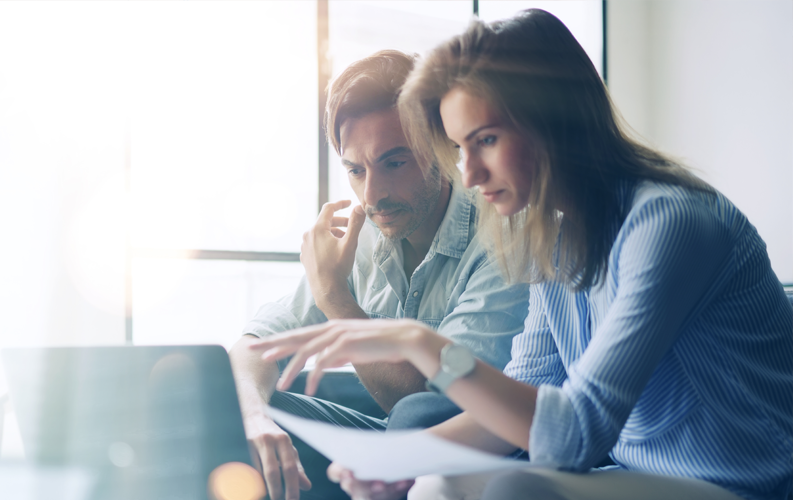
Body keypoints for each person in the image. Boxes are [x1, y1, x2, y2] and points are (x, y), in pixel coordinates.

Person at [251, 10, 793, 500]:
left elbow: (573, 435)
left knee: (514, 489)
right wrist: (398, 462)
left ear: (552, 122)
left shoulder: (670, 222)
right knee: (438, 483)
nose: (468, 174)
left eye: (485, 140)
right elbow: (515, 412)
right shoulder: (554, 244)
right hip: (634, 477)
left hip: (741, 481)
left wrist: (419, 342)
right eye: (461, 149)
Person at [229, 49, 529, 500]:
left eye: (394, 162)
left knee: (411, 421)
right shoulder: (364, 232)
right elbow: (260, 343)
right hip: (389, 434)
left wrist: (335, 299)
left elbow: (437, 405)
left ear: (442, 148)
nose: (374, 195)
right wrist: (252, 418)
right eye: (355, 170)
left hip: (477, 444)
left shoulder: (504, 234)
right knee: (230, 416)